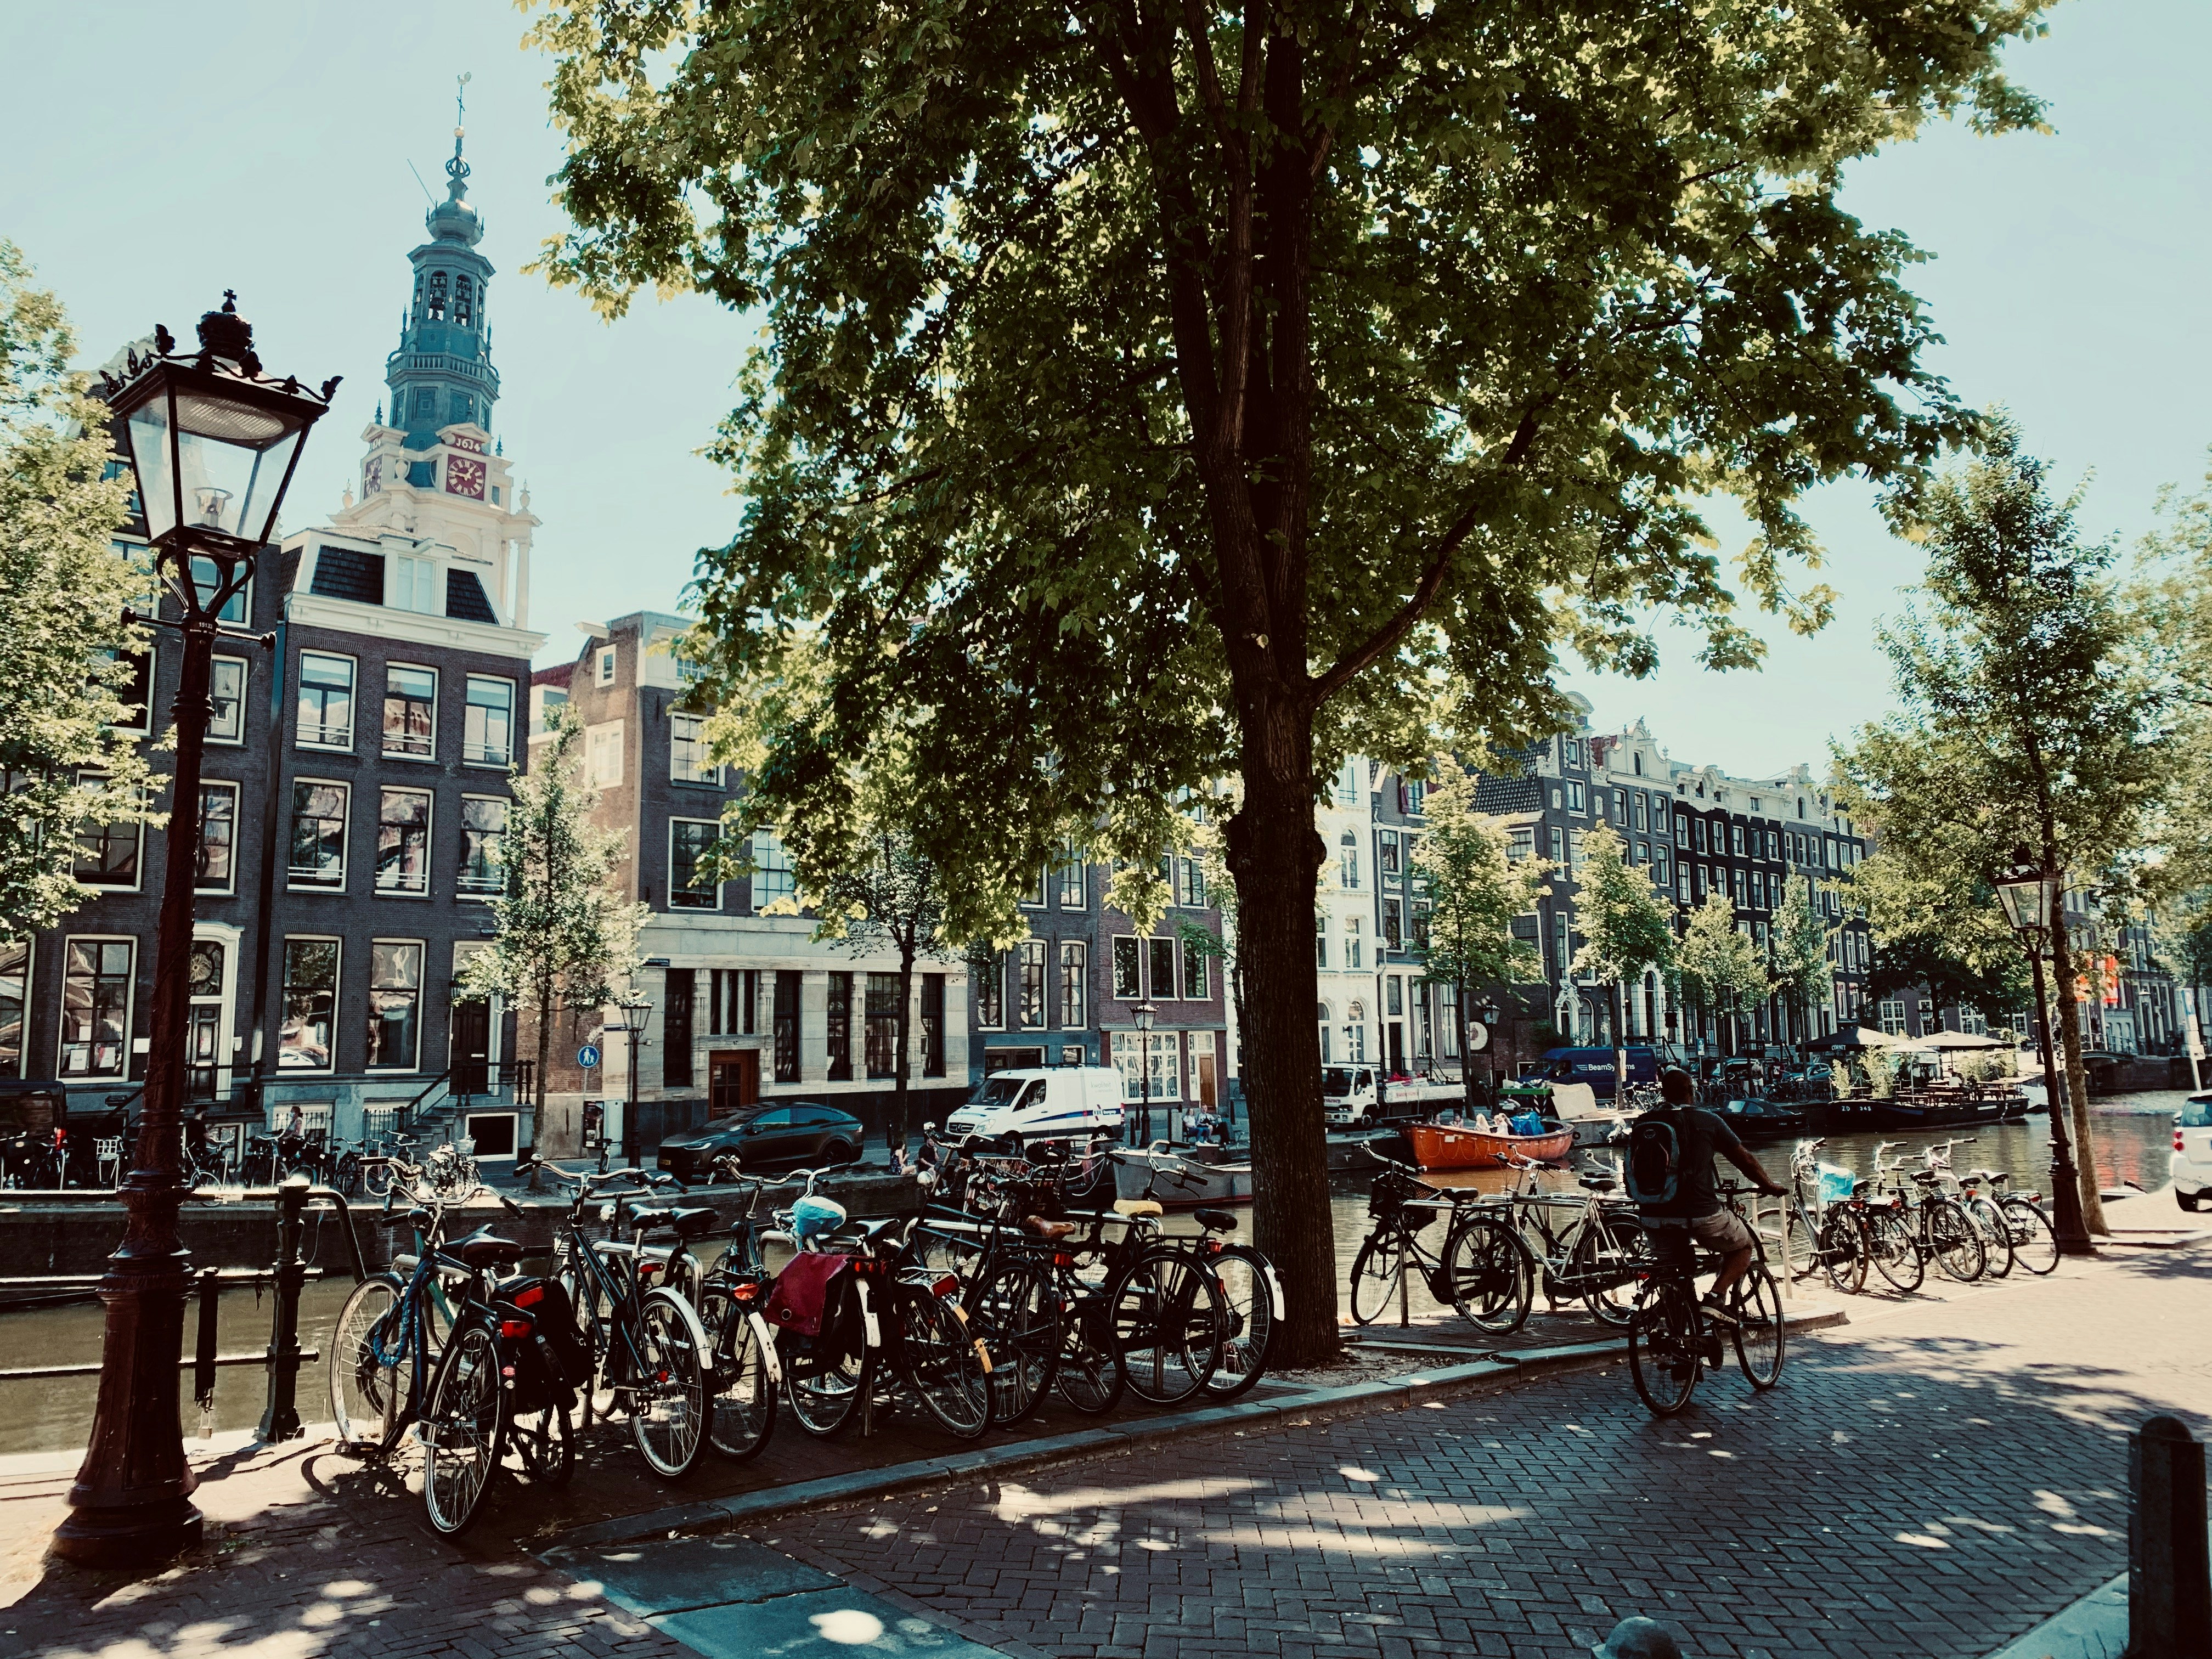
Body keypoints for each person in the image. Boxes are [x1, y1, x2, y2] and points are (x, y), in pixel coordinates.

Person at [1632, 1067, 1786, 1325]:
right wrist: (1769, 1186)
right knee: (1743, 1246)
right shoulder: (1708, 1120)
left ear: (1663, 1093)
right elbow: (1744, 1160)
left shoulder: (1643, 1122)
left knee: (1672, 1272)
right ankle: (1716, 1298)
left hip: (1652, 1213)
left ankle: (1677, 1337)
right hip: (1699, 1212)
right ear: (1691, 1091)